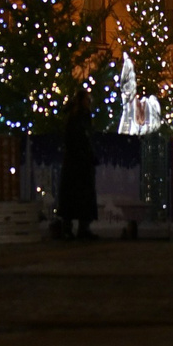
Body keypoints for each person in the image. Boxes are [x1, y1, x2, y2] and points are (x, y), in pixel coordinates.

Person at [54, 86, 100, 241]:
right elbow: (76, 140)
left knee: (78, 197)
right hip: (77, 164)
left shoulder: (82, 117)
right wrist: (85, 154)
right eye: (87, 100)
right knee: (76, 196)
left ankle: (81, 227)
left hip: (80, 163)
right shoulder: (76, 119)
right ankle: (71, 228)